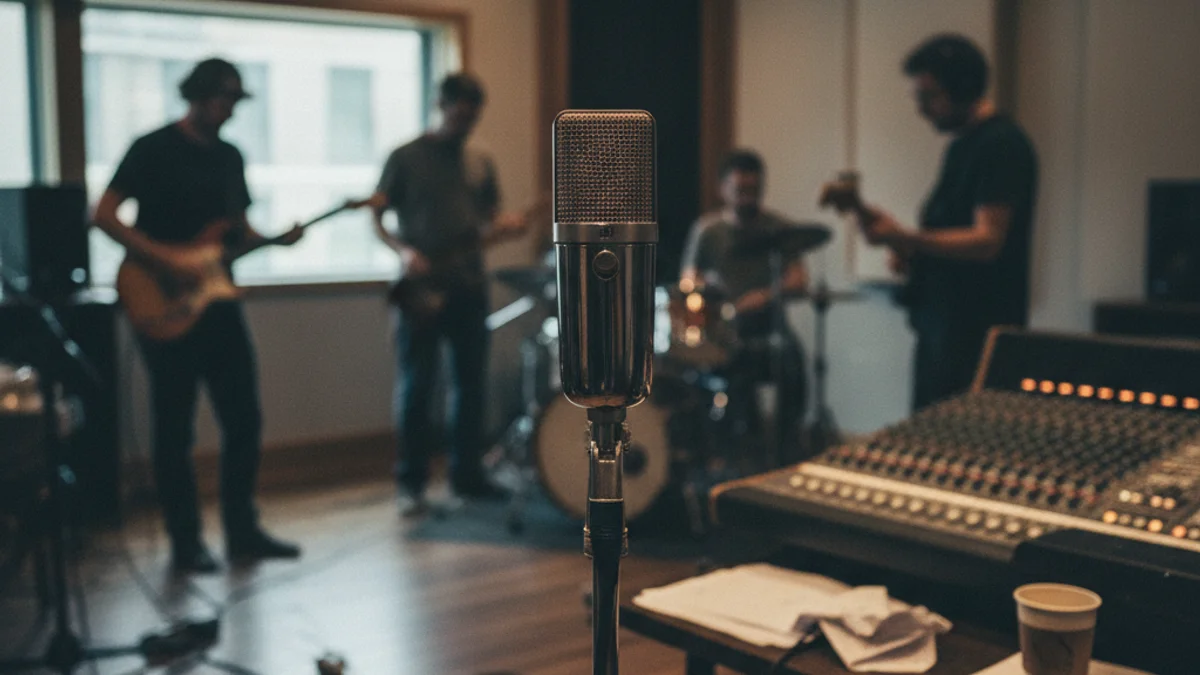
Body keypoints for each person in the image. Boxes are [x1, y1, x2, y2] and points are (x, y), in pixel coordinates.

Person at [93, 58, 303, 573]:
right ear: (197, 96)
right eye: (222, 98)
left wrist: (279, 238)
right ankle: (185, 542)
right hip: (161, 297)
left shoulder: (231, 157)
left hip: (218, 301)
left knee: (244, 419)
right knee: (174, 426)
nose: (229, 109)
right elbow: (104, 214)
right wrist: (163, 258)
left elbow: (235, 233)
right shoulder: (152, 148)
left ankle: (242, 531)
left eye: (235, 100)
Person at [820, 34, 1038, 411]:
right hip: (944, 330)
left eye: (928, 96)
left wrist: (908, 238)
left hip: (975, 336)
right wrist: (876, 223)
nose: (921, 109)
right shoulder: (961, 147)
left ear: (963, 88)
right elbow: (944, 234)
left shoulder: (1002, 145)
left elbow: (988, 240)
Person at [368, 74, 527, 516]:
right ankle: (412, 484)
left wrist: (505, 225)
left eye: (472, 116)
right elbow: (377, 217)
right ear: (441, 105)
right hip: (420, 289)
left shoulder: (479, 162)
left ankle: (468, 477)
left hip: (468, 285)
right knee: (418, 385)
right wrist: (405, 252)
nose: (465, 123)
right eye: (458, 114)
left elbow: (488, 217)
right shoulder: (404, 158)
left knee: (469, 385)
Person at [680, 149, 810, 462]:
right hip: (726, 328)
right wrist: (710, 290)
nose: (747, 199)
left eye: (754, 191)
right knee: (732, 378)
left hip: (770, 325)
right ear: (722, 189)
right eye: (740, 191)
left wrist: (764, 296)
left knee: (794, 365)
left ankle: (785, 447)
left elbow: (799, 279)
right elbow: (688, 281)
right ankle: (735, 450)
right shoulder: (708, 231)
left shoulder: (777, 228)